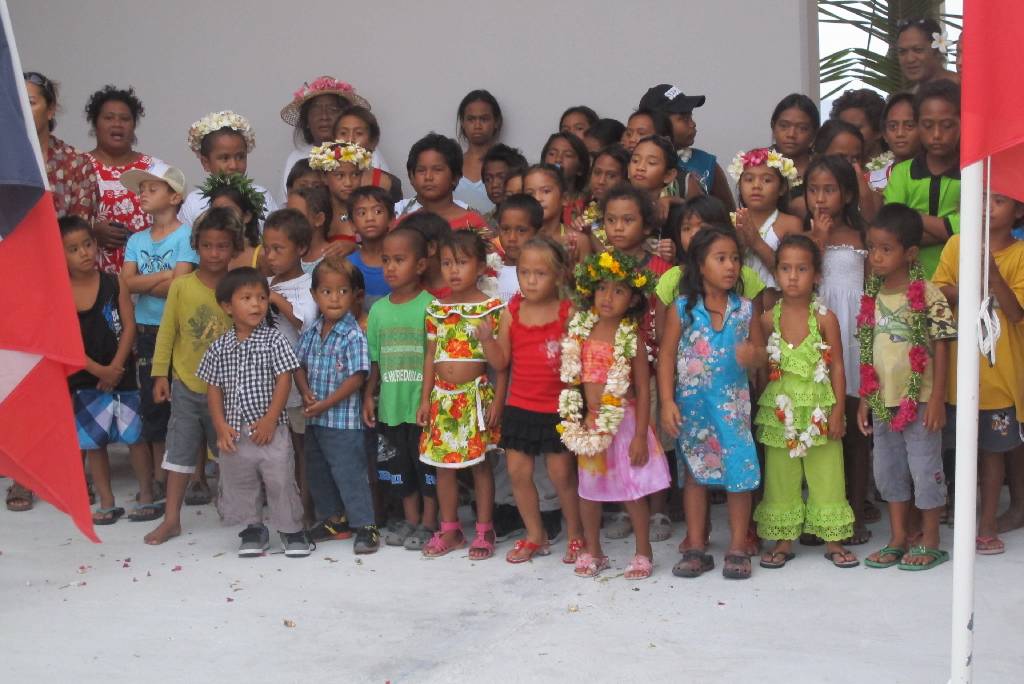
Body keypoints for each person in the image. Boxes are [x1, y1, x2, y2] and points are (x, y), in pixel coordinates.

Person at [658, 225, 765, 580]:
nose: (731, 266)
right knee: (695, 475)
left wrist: (753, 357)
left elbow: (761, 355)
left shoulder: (746, 310)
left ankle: (736, 546)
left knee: (739, 473)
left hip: (733, 409)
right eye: (721, 258)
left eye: (735, 258)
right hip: (693, 408)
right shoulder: (682, 309)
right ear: (700, 265)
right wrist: (666, 402)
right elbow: (667, 357)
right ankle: (696, 547)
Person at [858, 203, 955, 571]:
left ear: (910, 253)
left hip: (920, 401)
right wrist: (866, 397)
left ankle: (930, 539)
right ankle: (898, 537)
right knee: (888, 470)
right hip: (884, 400)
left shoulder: (927, 294)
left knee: (924, 468)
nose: (876, 257)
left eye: (886, 249)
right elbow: (867, 349)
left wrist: (937, 400)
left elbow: (942, 346)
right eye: (872, 248)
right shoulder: (872, 296)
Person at [562, 250, 670, 579]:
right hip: (592, 425)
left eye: (619, 291)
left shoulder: (631, 338)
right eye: (603, 288)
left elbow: (641, 387)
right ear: (591, 291)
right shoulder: (581, 331)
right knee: (589, 491)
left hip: (624, 424)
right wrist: (576, 418)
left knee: (632, 490)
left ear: (634, 300)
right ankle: (594, 550)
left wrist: (640, 436)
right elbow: (574, 382)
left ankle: (642, 551)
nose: (608, 297)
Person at [753, 234, 858, 568]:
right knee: (780, 475)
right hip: (779, 413)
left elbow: (838, 365)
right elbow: (759, 365)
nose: (793, 276)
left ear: (817, 275)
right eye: (785, 268)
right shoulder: (768, 319)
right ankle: (784, 539)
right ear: (776, 273)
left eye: (801, 269)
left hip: (819, 410)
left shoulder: (825, 318)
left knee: (827, 472)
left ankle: (833, 540)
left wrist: (839, 409)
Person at [481, 236, 584, 564]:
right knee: (518, 473)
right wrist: (486, 340)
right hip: (520, 406)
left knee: (562, 476)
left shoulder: (568, 311)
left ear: (558, 276)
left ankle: (576, 535)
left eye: (540, 273)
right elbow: (501, 362)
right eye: (524, 273)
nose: (530, 280)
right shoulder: (513, 311)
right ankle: (535, 534)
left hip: (557, 408)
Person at [143, 207, 241, 545]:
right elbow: (167, 332)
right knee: (179, 453)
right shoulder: (181, 286)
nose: (215, 253)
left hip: (229, 390)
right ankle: (171, 519)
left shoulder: (237, 288)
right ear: (196, 246)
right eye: (208, 245)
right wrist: (161, 375)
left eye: (223, 246)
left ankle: (240, 516)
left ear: (234, 248)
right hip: (186, 384)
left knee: (232, 455)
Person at [197, 268, 311, 557]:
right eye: (246, 298)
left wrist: (271, 419)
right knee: (240, 480)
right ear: (227, 306)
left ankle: (291, 531)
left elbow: (284, 379)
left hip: (271, 430)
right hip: (235, 432)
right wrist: (220, 426)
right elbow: (214, 388)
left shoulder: (274, 340)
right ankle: (252, 529)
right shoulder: (218, 347)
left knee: (280, 479)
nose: (256, 304)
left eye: (261, 297)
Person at [933, 193, 1024, 554]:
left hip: (999, 377)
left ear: (1017, 210)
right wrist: (971, 281)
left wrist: (991, 273)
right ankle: (959, 512)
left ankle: (987, 523)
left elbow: (1016, 312)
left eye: (999, 201)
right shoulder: (957, 244)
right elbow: (938, 290)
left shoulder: (1019, 254)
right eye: (983, 198)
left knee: (992, 452)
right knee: (958, 449)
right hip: (957, 373)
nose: (987, 207)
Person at [416, 231, 505, 559]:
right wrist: (425, 398)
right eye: (447, 263)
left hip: (474, 398)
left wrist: (498, 401)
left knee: (480, 465)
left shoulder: (492, 308)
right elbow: (430, 355)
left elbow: (502, 364)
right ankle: (450, 528)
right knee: (444, 467)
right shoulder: (434, 309)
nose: (453, 270)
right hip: (442, 398)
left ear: (480, 266)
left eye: (462, 263)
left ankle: (484, 529)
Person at [61, 216, 152, 524]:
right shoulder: (61, 295)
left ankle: (148, 495)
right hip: (87, 378)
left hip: (122, 373)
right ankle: (106, 501)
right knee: (93, 442)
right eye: (73, 249)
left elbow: (129, 326)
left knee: (136, 438)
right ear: (60, 255)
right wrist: (99, 371)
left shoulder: (115, 282)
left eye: (88, 244)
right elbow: (65, 343)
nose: (85, 252)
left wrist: (115, 367)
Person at [803, 155, 873, 545]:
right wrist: (818, 240)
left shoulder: (862, 237)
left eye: (829, 189)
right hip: (817, 334)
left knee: (853, 427)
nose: (821, 198)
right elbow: (800, 277)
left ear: (846, 194)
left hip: (854, 334)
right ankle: (821, 511)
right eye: (814, 189)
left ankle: (856, 510)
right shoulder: (805, 233)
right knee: (818, 425)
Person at [120, 162, 196, 516]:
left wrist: (149, 282)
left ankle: (188, 480)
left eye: (153, 188)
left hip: (179, 332)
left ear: (175, 196)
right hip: (148, 333)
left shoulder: (187, 236)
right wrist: (164, 275)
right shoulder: (136, 239)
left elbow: (179, 287)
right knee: (151, 404)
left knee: (183, 405)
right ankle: (155, 482)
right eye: (142, 189)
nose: (144, 194)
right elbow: (126, 283)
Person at [294, 259, 379, 554]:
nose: (334, 298)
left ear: (354, 295)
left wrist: (324, 405)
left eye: (342, 291)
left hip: (343, 423)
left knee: (349, 472)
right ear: (315, 295)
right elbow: (298, 366)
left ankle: (366, 525)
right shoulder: (310, 332)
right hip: (316, 420)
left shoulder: (354, 335)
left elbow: (356, 378)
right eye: (327, 291)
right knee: (318, 471)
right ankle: (334, 520)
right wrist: (305, 393)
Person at [363, 226, 438, 550]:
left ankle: (429, 522)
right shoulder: (378, 310)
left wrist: (427, 400)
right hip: (391, 406)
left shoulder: (431, 306)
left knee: (427, 468)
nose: (390, 267)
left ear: (420, 265)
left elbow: (435, 358)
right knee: (398, 465)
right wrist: (369, 395)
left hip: (422, 406)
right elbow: (375, 360)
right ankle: (410, 520)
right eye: (385, 260)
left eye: (399, 260)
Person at [263, 209, 319, 525]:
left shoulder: (309, 283)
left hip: (300, 386)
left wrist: (274, 298)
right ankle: (283, 508)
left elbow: (305, 323)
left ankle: (305, 510)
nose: (269, 256)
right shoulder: (267, 282)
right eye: (266, 248)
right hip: (269, 386)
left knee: (302, 449)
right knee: (276, 451)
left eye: (278, 249)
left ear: (300, 248)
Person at [883, 80, 961, 278]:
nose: (936, 135)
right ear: (917, 124)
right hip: (909, 283)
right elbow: (894, 231)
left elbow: (970, 228)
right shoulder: (902, 173)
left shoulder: (971, 174)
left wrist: (913, 217)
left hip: (961, 281)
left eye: (947, 126)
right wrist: (947, 229)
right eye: (928, 125)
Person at [84, 84, 160, 273]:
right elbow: (61, 221)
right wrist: (91, 233)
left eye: (125, 119)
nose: (117, 124)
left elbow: (174, 219)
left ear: (134, 125)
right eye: (108, 118)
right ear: (95, 124)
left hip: (148, 277)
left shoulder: (154, 169)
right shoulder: (79, 166)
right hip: (94, 277)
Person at [638, 83, 735, 210]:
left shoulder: (707, 164)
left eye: (691, 116)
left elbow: (730, 214)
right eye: (684, 118)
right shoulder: (634, 165)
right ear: (658, 124)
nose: (693, 124)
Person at [279, 75, 376, 199]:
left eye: (333, 109)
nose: (324, 116)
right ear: (306, 121)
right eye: (316, 110)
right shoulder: (295, 158)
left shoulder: (364, 153)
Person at [179, 111, 277, 228]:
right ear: (205, 163)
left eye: (240, 157)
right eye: (224, 158)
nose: (234, 165)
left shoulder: (262, 196)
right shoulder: (194, 203)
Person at [25, 71, 98, 223]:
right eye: (16, 103)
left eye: (30, 103)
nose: (22, 109)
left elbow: (80, 230)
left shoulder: (76, 163)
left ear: (50, 110)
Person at [730, 147, 803, 292]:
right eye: (749, 179)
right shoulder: (731, 222)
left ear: (782, 188)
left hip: (776, 303)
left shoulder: (791, 224)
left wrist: (756, 242)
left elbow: (793, 272)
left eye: (767, 180)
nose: (756, 186)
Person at [397, 133, 489, 232]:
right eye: (421, 170)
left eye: (437, 170)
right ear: (412, 178)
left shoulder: (473, 224)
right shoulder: (404, 225)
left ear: (455, 177)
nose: (428, 177)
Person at [308, 140, 373, 255]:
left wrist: (355, 247)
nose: (348, 183)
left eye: (355, 174)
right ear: (324, 177)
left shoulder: (370, 211)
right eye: (339, 175)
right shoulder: (317, 213)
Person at [332, 105, 404, 205]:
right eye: (343, 133)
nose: (350, 140)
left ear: (373, 141)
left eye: (359, 133)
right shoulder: (321, 179)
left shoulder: (388, 183)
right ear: (334, 140)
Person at [523, 163, 592, 264]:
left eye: (546, 191)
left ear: (564, 199)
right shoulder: (521, 238)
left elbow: (585, 278)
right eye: (530, 194)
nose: (537, 198)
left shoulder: (578, 241)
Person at [199, 173, 267, 273]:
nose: (221, 216)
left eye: (228, 210)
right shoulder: (207, 254)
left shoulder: (261, 256)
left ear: (247, 216)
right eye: (216, 210)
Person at [454, 90, 503, 213]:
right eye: (471, 119)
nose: (477, 125)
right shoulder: (451, 165)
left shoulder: (507, 165)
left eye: (484, 119)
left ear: (496, 122)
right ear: (463, 123)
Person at [347, 186, 394, 309]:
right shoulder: (347, 266)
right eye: (362, 213)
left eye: (378, 211)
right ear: (352, 224)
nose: (370, 218)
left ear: (391, 220)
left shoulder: (402, 262)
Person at [769, 93, 820, 203]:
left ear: (814, 133)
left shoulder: (823, 168)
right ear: (773, 127)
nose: (791, 134)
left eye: (802, 128)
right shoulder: (759, 163)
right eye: (784, 126)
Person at [577, 144, 630, 245]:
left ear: (625, 180)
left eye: (611, 176)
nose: (601, 181)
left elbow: (617, 257)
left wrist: (589, 236)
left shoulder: (631, 214)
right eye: (597, 173)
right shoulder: (591, 209)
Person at [869, 92, 921, 191]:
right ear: (884, 134)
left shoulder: (937, 175)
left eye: (909, 125)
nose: (900, 133)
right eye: (893, 126)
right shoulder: (870, 180)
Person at [286, 184, 342, 274]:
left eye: (296, 215)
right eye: (286, 214)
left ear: (319, 219)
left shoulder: (335, 258)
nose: (287, 220)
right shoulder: (287, 257)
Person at [541, 131, 591, 225]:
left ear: (580, 169)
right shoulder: (533, 201)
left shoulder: (589, 206)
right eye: (552, 154)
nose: (558, 159)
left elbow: (602, 238)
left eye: (567, 155)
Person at [895, 18, 959, 91]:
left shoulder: (963, 88)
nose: (910, 59)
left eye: (918, 50)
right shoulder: (911, 97)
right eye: (902, 51)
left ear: (937, 50)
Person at [829, 89, 887, 164]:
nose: (848, 136)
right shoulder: (833, 170)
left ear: (879, 131)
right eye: (842, 129)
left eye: (855, 129)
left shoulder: (899, 170)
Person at [481, 144, 528, 224]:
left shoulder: (529, 218)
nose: (494, 185)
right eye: (488, 179)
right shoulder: (485, 220)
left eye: (501, 177)